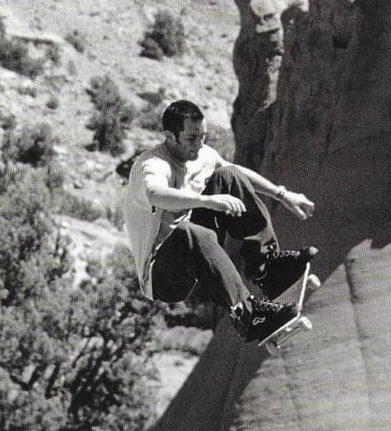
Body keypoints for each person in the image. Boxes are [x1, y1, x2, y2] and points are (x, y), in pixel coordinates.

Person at [124, 99, 317, 342]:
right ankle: (248, 315)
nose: (199, 146)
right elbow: (155, 194)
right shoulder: (152, 164)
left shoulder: (202, 153)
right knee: (187, 232)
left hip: (197, 251)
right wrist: (207, 201)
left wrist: (282, 194)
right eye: (191, 139)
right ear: (170, 137)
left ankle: (267, 268)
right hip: (162, 275)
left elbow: (238, 173)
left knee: (228, 175)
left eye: (203, 137)